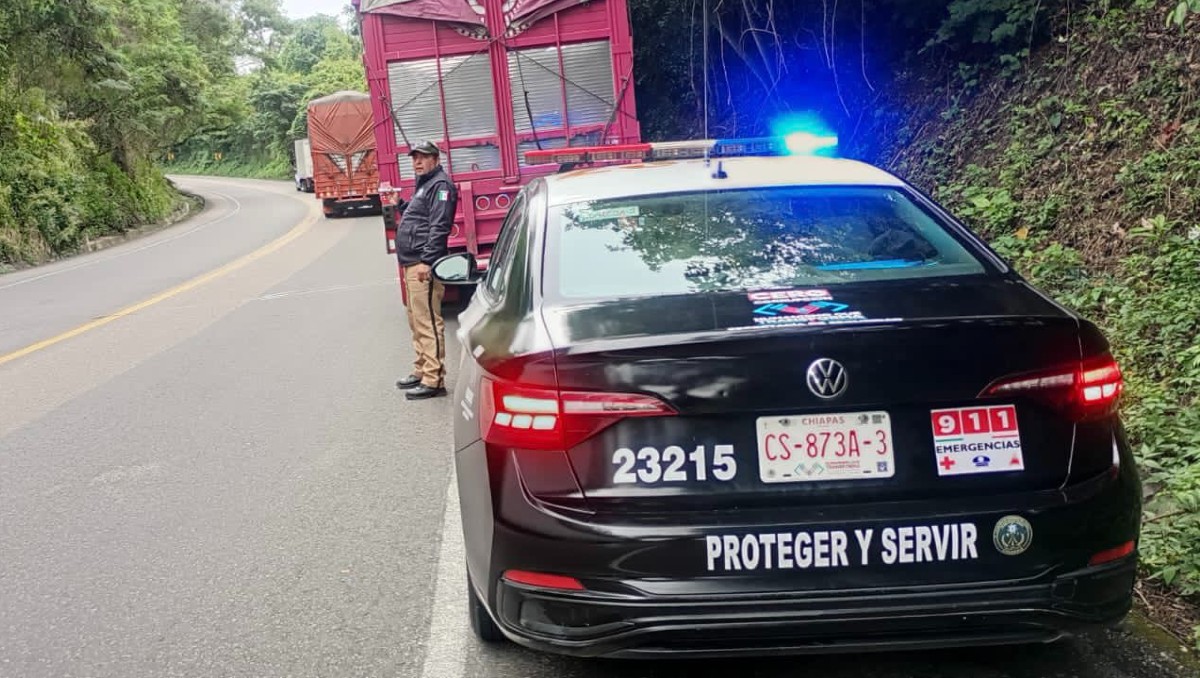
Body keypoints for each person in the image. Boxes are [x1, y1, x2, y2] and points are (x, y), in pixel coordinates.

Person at [394, 140, 457, 400]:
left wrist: (427, 261)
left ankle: (434, 379)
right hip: (411, 262)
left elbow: (440, 226)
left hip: (422, 263)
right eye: (414, 158)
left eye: (423, 157)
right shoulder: (425, 185)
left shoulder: (441, 187)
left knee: (428, 320)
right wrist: (400, 204)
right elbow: (419, 216)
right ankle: (422, 369)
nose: (417, 162)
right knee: (416, 319)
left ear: (436, 159)